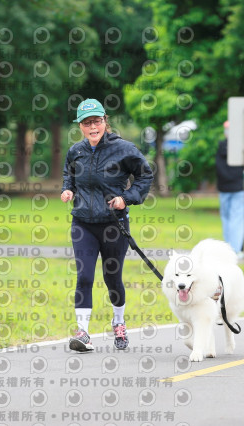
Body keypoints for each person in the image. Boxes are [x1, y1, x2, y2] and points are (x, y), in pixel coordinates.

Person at [61, 98, 154, 352]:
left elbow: (144, 175)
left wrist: (127, 198)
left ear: (105, 121)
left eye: (97, 121)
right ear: (80, 126)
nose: (93, 127)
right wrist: (68, 190)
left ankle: (119, 322)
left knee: (112, 278)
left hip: (114, 225)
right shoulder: (76, 151)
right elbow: (69, 174)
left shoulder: (123, 149)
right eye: (87, 123)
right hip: (83, 223)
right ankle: (83, 333)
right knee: (84, 276)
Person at [215, 121, 244, 255]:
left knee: (227, 218)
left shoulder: (221, 147)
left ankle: (228, 248)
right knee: (236, 219)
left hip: (224, 187)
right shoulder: (241, 147)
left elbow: (218, 168)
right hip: (237, 187)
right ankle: (234, 249)